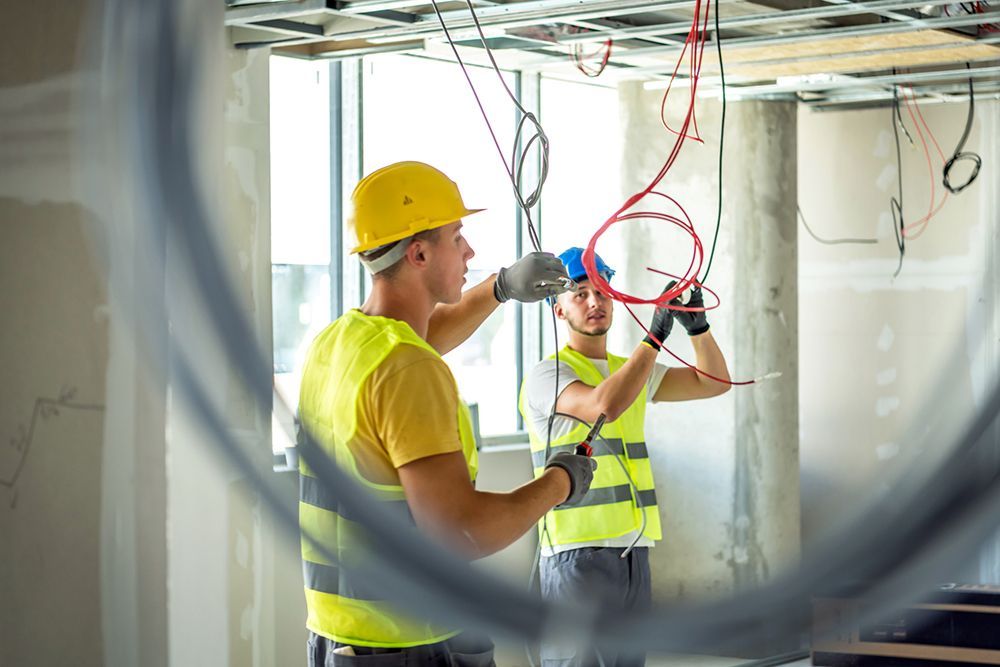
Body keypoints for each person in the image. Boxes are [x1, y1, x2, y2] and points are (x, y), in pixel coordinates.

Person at [297, 161, 597, 666]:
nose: (470, 252)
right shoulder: (408, 369)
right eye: (457, 237)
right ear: (418, 253)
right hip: (407, 643)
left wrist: (500, 287)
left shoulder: (340, 342)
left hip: (338, 639)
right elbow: (460, 531)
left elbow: (423, 337)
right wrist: (560, 482)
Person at [519, 246, 732, 667]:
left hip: (632, 551)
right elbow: (603, 405)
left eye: (601, 290)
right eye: (579, 293)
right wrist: (653, 338)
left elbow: (714, 383)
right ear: (557, 310)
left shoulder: (629, 370)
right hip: (576, 555)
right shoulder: (549, 375)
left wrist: (698, 329)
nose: (594, 301)